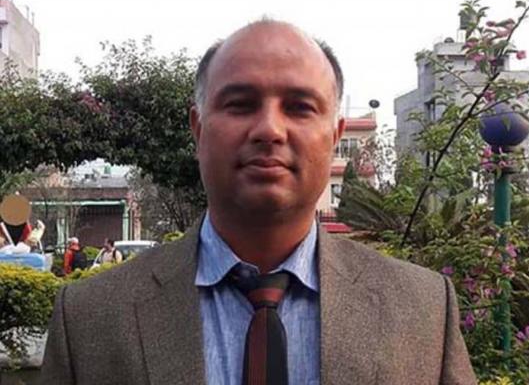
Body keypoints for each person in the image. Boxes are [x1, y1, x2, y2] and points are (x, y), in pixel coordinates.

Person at [40, 20, 477, 385]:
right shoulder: (90, 318)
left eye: (299, 107)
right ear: (198, 129)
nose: (269, 129)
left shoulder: (422, 309)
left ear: (335, 135)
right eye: (241, 104)